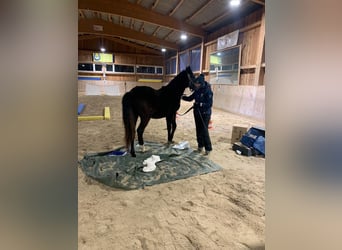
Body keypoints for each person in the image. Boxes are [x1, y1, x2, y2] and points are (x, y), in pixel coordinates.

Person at [182, 74, 213, 155]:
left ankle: (208, 148)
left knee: (204, 130)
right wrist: (181, 97)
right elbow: (190, 98)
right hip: (197, 112)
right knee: (198, 130)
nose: (195, 85)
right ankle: (200, 145)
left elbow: (209, 104)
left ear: (201, 83)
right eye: (195, 83)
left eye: (197, 83)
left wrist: (200, 104)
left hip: (205, 113)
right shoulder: (197, 90)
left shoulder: (208, 90)